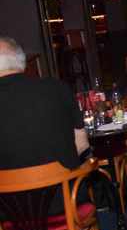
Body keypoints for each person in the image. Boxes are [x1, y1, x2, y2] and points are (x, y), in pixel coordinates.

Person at [0, 37, 89, 213]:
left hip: (9, 214)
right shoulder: (57, 88)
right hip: (66, 205)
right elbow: (82, 144)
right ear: (23, 62)